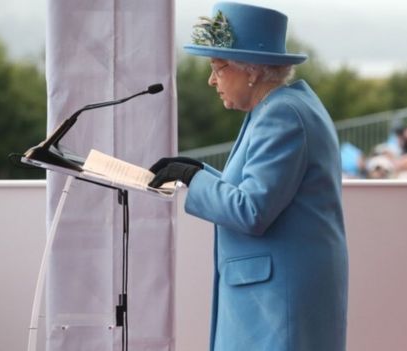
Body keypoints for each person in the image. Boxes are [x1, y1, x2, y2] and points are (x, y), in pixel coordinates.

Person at [148, 2, 348, 351]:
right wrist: (196, 171)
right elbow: (251, 190)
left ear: (252, 70)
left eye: (218, 67)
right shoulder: (279, 108)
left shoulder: (281, 115)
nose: (212, 80)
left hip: (276, 301)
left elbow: (251, 210)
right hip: (277, 294)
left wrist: (193, 178)